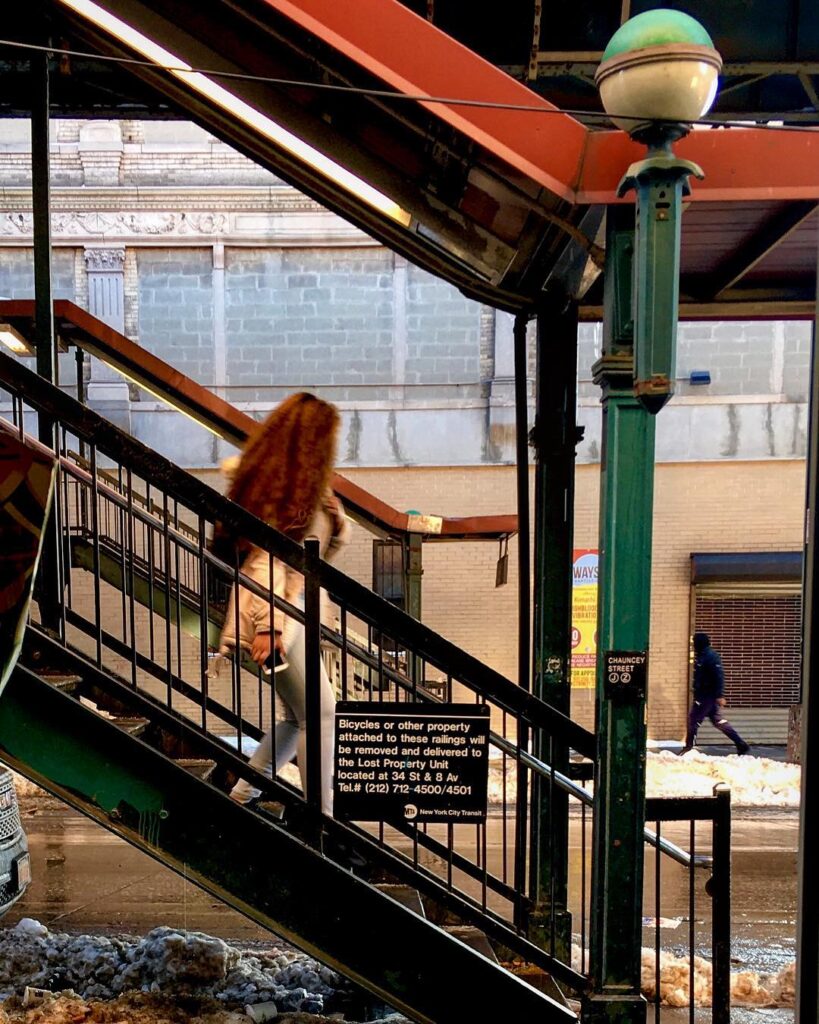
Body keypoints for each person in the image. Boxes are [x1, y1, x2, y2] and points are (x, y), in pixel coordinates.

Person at [212, 392, 349, 815]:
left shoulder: (300, 488)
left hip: (291, 614)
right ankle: (320, 821)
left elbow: (321, 550)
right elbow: (272, 561)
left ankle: (242, 796)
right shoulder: (285, 493)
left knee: (298, 716)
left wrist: (333, 514)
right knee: (321, 714)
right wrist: (270, 627)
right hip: (277, 615)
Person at [680, 631, 750, 755]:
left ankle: (688, 748)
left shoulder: (709, 656)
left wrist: (719, 695)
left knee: (693, 720)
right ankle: (740, 744)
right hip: (706, 695)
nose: (693, 646)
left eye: (694, 643)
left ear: (699, 643)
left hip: (706, 695)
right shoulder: (704, 655)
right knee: (719, 721)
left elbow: (718, 676)